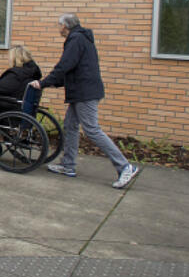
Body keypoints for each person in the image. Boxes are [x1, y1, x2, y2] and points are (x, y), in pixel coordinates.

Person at [29, 13, 139, 188]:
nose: (58, 29)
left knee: (92, 130)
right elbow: (70, 71)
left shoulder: (76, 40)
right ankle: (68, 165)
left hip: (85, 92)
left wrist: (42, 83)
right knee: (70, 125)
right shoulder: (80, 39)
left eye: (59, 26)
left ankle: (125, 166)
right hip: (81, 91)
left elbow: (64, 66)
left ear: (65, 26)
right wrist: (48, 83)